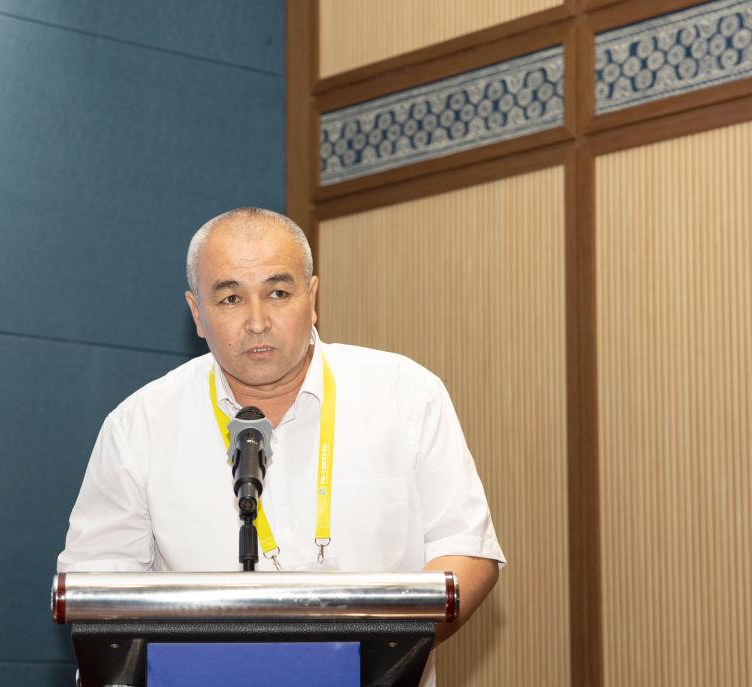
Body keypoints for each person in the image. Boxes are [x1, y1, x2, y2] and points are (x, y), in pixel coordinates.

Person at [57, 207, 504, 650]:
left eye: (277, 293)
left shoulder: (405, 394)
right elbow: (96, 589)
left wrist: (378, 658)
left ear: (312, 297)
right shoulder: (139, 426)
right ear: (197, 313)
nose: (257, 322)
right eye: (231, 299)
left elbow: (465, 551)